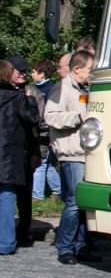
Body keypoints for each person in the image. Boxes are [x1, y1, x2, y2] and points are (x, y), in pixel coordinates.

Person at [45, 50, 99, 264]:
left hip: (89, 153)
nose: (92, 74)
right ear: (77, 69)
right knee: (74, 203)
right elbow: (50, 116)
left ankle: (82, 246)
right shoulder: (61, 89)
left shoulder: (88, 88)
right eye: (90, 70)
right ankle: (65, 248)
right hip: (72, 154)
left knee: (87, 203)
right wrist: (79, 117)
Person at [0, 59, 41, 256]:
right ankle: (6, 242)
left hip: (7, 153)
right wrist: (31, 100)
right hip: (9, 154)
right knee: (7, 196)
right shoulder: (18, 97)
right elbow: (32, 119)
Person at [30, 59, 60, 201]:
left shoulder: (48, 91)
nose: (31, 74)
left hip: (46, 133)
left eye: (34, 72)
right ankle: (58, 190)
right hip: (45, 133)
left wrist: (49, 135)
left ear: (42, 74)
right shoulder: (40, 90)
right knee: (48, 164)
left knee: (40, 164)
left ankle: (37, 195)